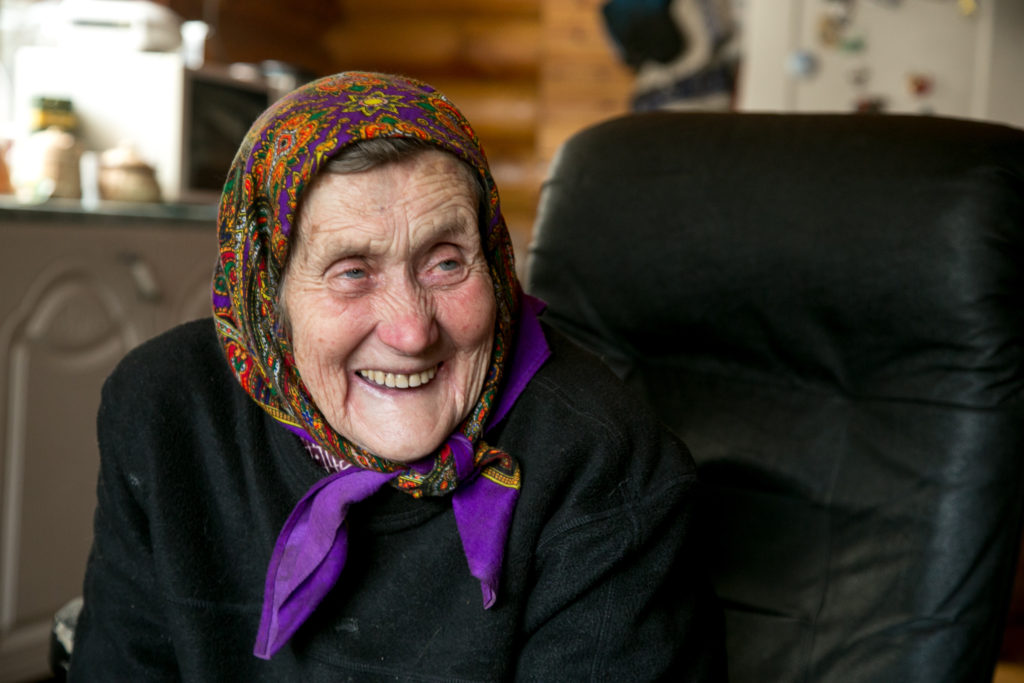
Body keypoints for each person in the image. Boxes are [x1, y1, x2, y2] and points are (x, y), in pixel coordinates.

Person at [69, 72, 724, 680]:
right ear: (265, 298)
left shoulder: (605, 460)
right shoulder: (166, 409)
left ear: (496, 262)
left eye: (446, 262)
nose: (412, 331)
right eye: (352, 271)